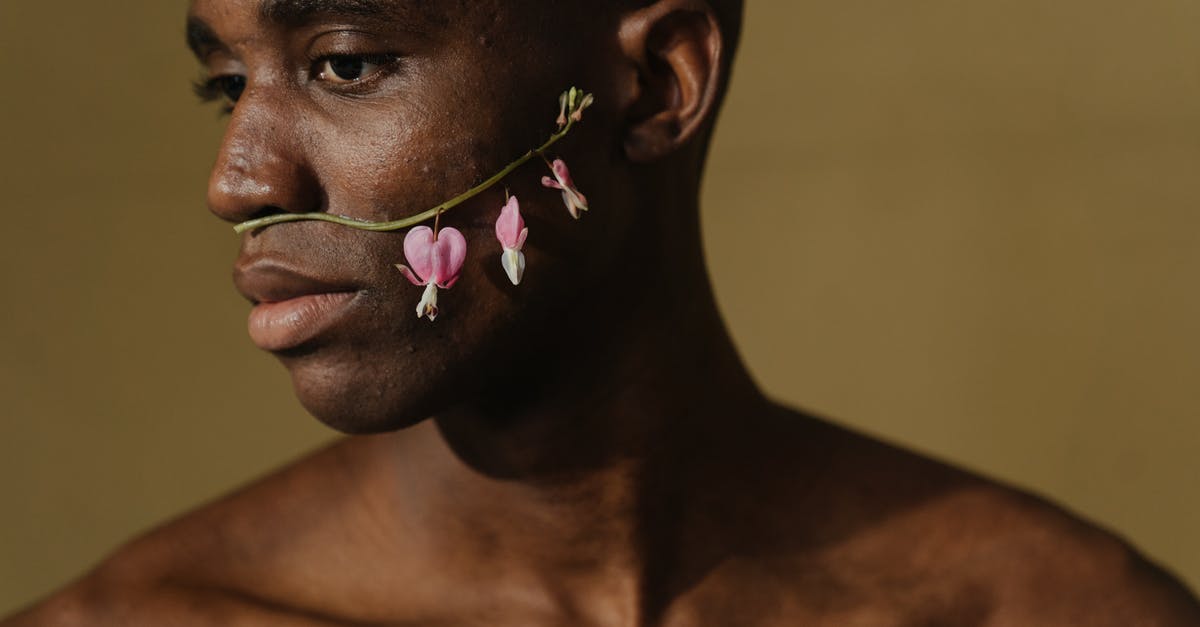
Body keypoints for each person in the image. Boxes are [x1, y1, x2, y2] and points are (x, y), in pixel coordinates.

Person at [5, 0, 1199, 624]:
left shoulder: (1057, 612)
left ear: (656, 84)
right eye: (226, 83)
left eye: (347, 63)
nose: (239, 179)